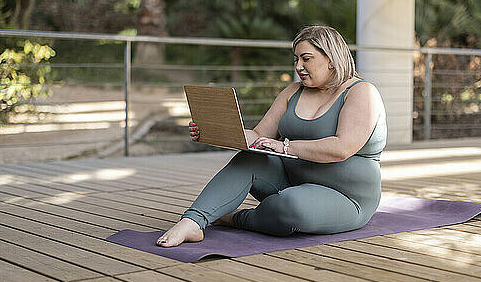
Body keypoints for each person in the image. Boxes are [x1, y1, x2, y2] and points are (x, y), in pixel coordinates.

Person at [156, 25, 387, 247]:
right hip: (290, 182)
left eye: (306, 59)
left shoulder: (361, 92)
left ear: (331, 59)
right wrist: (214, 131)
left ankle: (235, 218)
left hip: (346, 197)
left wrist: (285, 148)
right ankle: (193, 222)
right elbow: (258, 135)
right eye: (296, 59)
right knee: (251, 159)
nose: (298, 66)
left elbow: (341, 148)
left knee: (292, 206)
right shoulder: (293, 92)